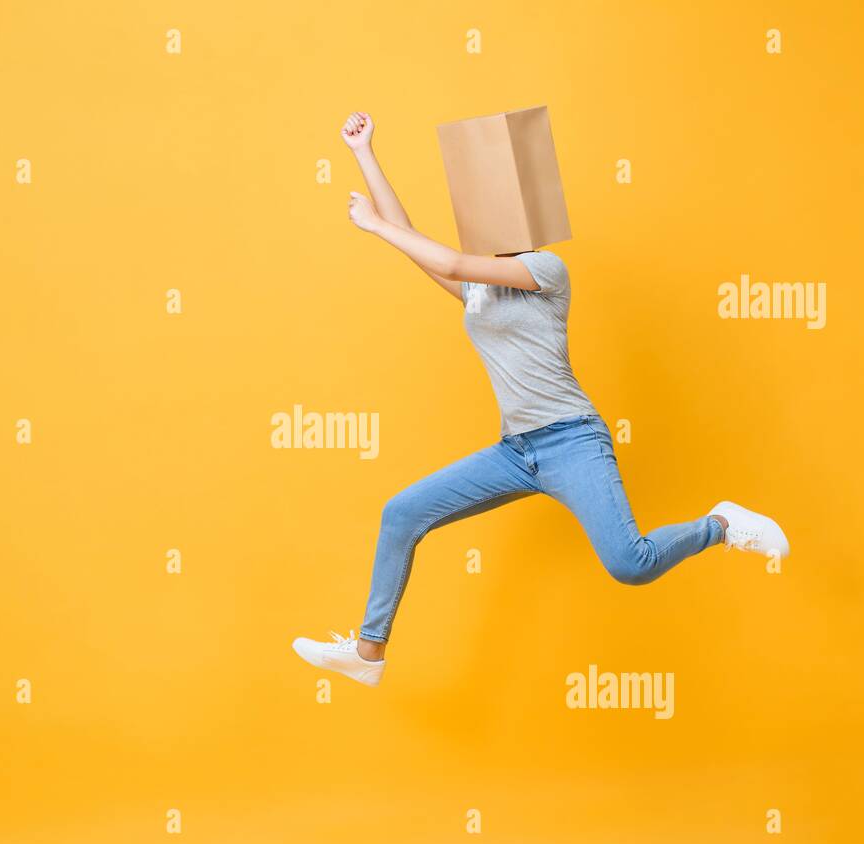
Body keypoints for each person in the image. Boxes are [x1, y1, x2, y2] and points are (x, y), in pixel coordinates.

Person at [292, 111, 789, 688]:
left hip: (573, 440)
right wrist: (365, 154)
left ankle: (720, 525)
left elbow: (448, 259)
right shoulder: (478, 289)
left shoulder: (546, 269)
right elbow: (425, 252)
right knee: (401, 512)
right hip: (515, 451)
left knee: (630, 564)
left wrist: (375, 226)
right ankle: (368, 653)